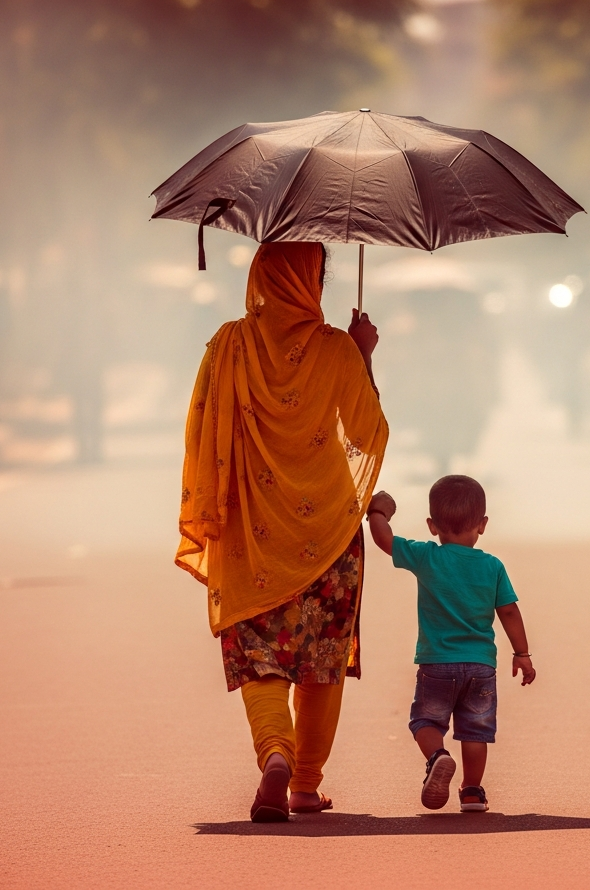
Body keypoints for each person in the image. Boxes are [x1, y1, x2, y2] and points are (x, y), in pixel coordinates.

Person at [176, 241, 388, 823]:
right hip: (330, 532)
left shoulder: (228, 344)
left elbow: (200, 430)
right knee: (321, 658)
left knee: (261, 654)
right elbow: (368, 435)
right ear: (311, 282)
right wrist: (363, 356)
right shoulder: (337, 350)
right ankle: (304, 784)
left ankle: (275, 751)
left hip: (251, 532)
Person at [365, 476, 535, 813]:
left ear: (432, 526)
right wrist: (522, 654)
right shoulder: (492, 566)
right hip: (481, 665)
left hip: (436, 663)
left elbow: (385, 540)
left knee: (425, 722)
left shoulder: (427, 557)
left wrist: (377, 512)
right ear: (482, 525)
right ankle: (472, 792)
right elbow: (509, 611)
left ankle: (437, 756)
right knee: (476, 731)